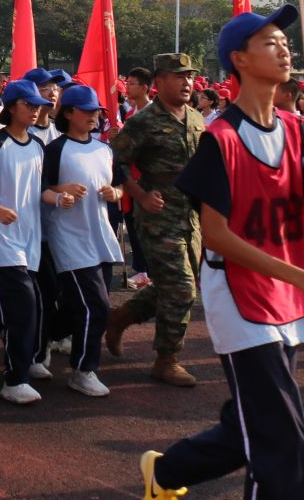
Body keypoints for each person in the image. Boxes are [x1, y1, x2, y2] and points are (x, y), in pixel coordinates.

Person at [141, 7, 304, 500]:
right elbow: (216, 236)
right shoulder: (220, 138)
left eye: (285, 43)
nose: (285, 50)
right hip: (240, 294)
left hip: (287, 293)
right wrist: (303, 277)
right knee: (283, 443)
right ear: (240, 59)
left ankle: (166, 473)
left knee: (252, 423)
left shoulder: (296, 129)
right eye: (270, 43)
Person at [105, 52, 206, 387]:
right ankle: (166, 359)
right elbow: (114, 161)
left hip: (191, 215)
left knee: (172, 285)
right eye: (179, 76)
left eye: (190, 76)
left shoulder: (196, 117)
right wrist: (139, 194)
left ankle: (121, 316)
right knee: (182, 288)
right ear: (159, 82)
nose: (187, 82)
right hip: (158, 216)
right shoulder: (144, 121)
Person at [0, 77, 52, 406]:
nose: (35, 110)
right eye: (28, 105)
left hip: (29, 239)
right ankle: (15, 379)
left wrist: (60, 196)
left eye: (38, 106)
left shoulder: (38, 146)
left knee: (25, 305)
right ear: (12, 107)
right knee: (23, 304)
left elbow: (41, 189)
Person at [40, 84, 124, 398]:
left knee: (76, 307)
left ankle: (41, 337)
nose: (94, 116)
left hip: (100, 236)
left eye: (96, 111)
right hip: (69, 238)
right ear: (69, 113)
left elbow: (120, 185)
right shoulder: (55, 149)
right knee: (96, 306)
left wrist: (115, 193)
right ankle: (84, 370)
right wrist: (60, 192)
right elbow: (40, 187)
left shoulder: (105, 150)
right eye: (87, 111)